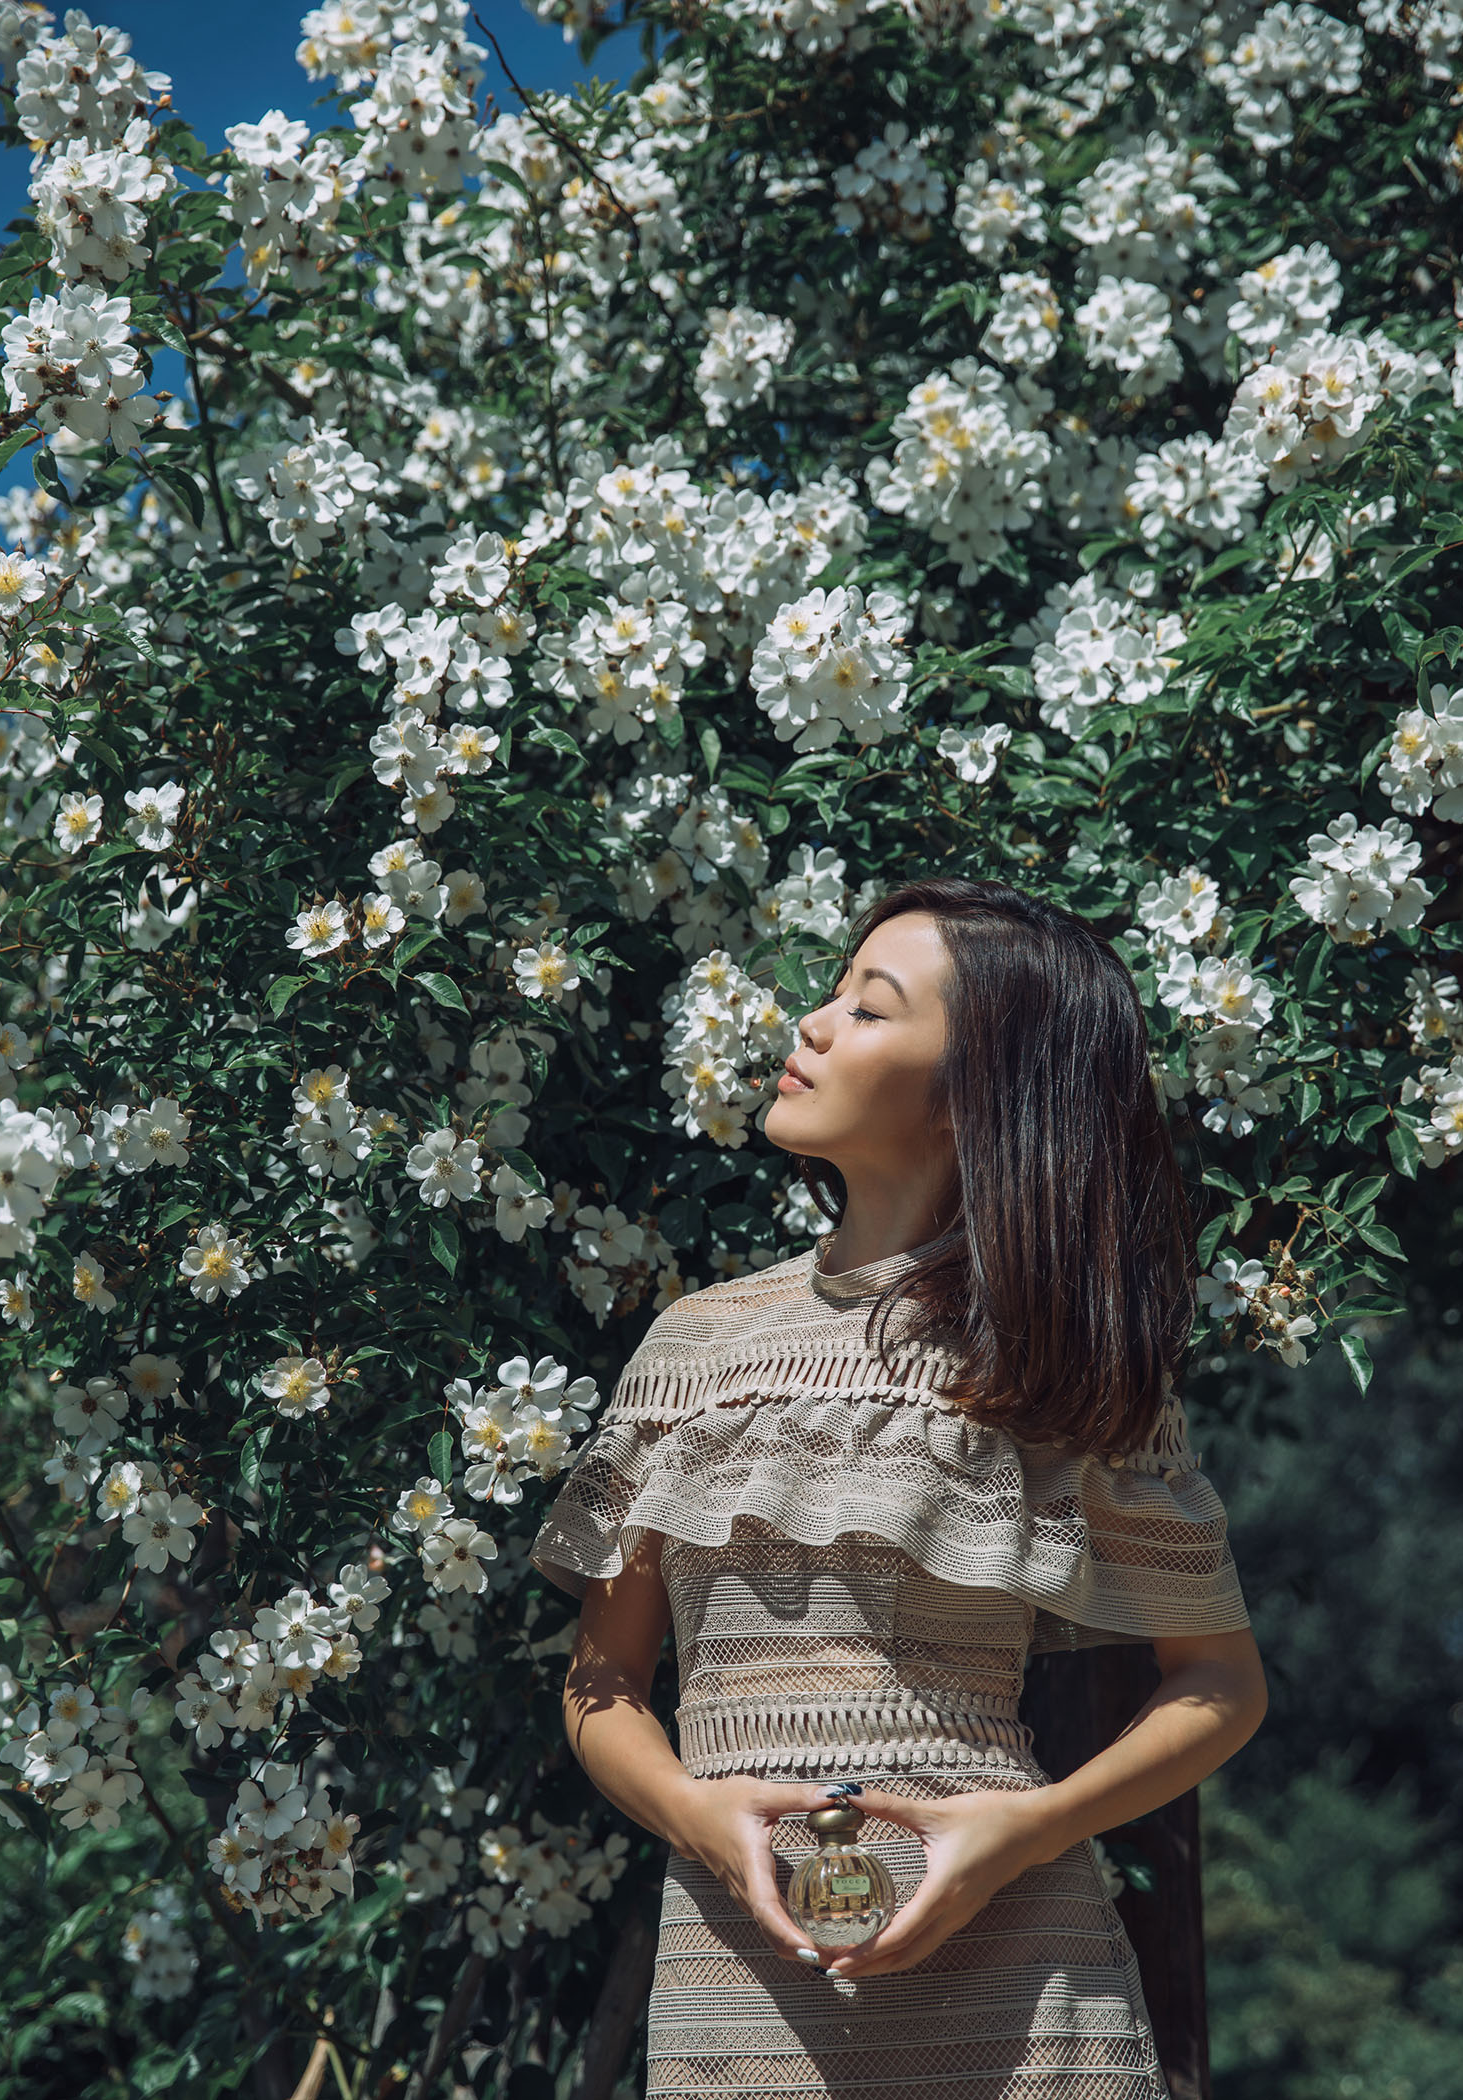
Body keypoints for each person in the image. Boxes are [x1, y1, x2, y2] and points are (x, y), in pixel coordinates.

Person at [530, 874, 1268, 2098]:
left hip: (1025, 1998)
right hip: (735, 1992)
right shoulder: (693, 1346)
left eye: (869, 1010)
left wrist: (1027, 1829)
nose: (812, 1025)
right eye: (831, 995)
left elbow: (1221, 1683)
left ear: (970, 1096)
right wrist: (691, 1811)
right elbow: (601, 1685)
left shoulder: (1057, 1360)